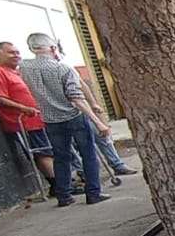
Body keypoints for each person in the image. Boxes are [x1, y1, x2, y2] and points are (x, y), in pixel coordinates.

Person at [19, 33, 112, 207]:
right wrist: (98, 122)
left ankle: (64, 195)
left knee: (61, 157)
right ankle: (93, 193)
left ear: (32, 48)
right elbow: (76, 98)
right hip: (73, 115)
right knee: (88, 154)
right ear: (53, 48)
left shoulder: (24, 67)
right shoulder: (64, 69)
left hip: (50, 119)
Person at [0, 41, 57, 196]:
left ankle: (62, 183)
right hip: (22, 122)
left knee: (47, 150)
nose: (16, 55)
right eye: (11, 52)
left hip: (36, 120)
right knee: (41, 153)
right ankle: (57, 185)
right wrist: (25, 109)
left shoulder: (15, 72)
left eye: (17, 52)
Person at [55, 45, 136, 176]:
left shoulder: (66, 68)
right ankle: (84, 172)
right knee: (74, 144)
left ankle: (116, 164)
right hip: (65, 112)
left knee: (101, 134)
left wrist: (93, 103)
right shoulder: (44, 71)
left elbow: (82, 85)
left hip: (80, 108)